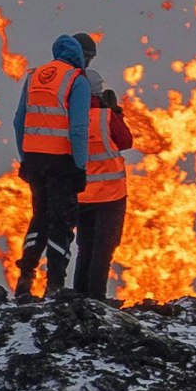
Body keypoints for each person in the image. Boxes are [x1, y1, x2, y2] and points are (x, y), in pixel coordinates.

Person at [11, 32, 96, 297]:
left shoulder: (34, 76)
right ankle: (54, 286)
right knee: (62, 221)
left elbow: (18, 121)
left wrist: (25, 158)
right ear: (82, 56)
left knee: (40, 217)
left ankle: (25, 280)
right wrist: (80, 166)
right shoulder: (76, 80)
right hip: (61, 162)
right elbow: (79, 128)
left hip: (34, 160)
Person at [71, 74, 133, 300]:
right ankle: (97, 298)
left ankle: (80, 296)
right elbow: (126, 141)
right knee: (103, 249)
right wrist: (117, 114)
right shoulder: (106, 117)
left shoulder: (69, 116)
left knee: (84, 247)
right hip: (110, 195)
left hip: (81, 194)